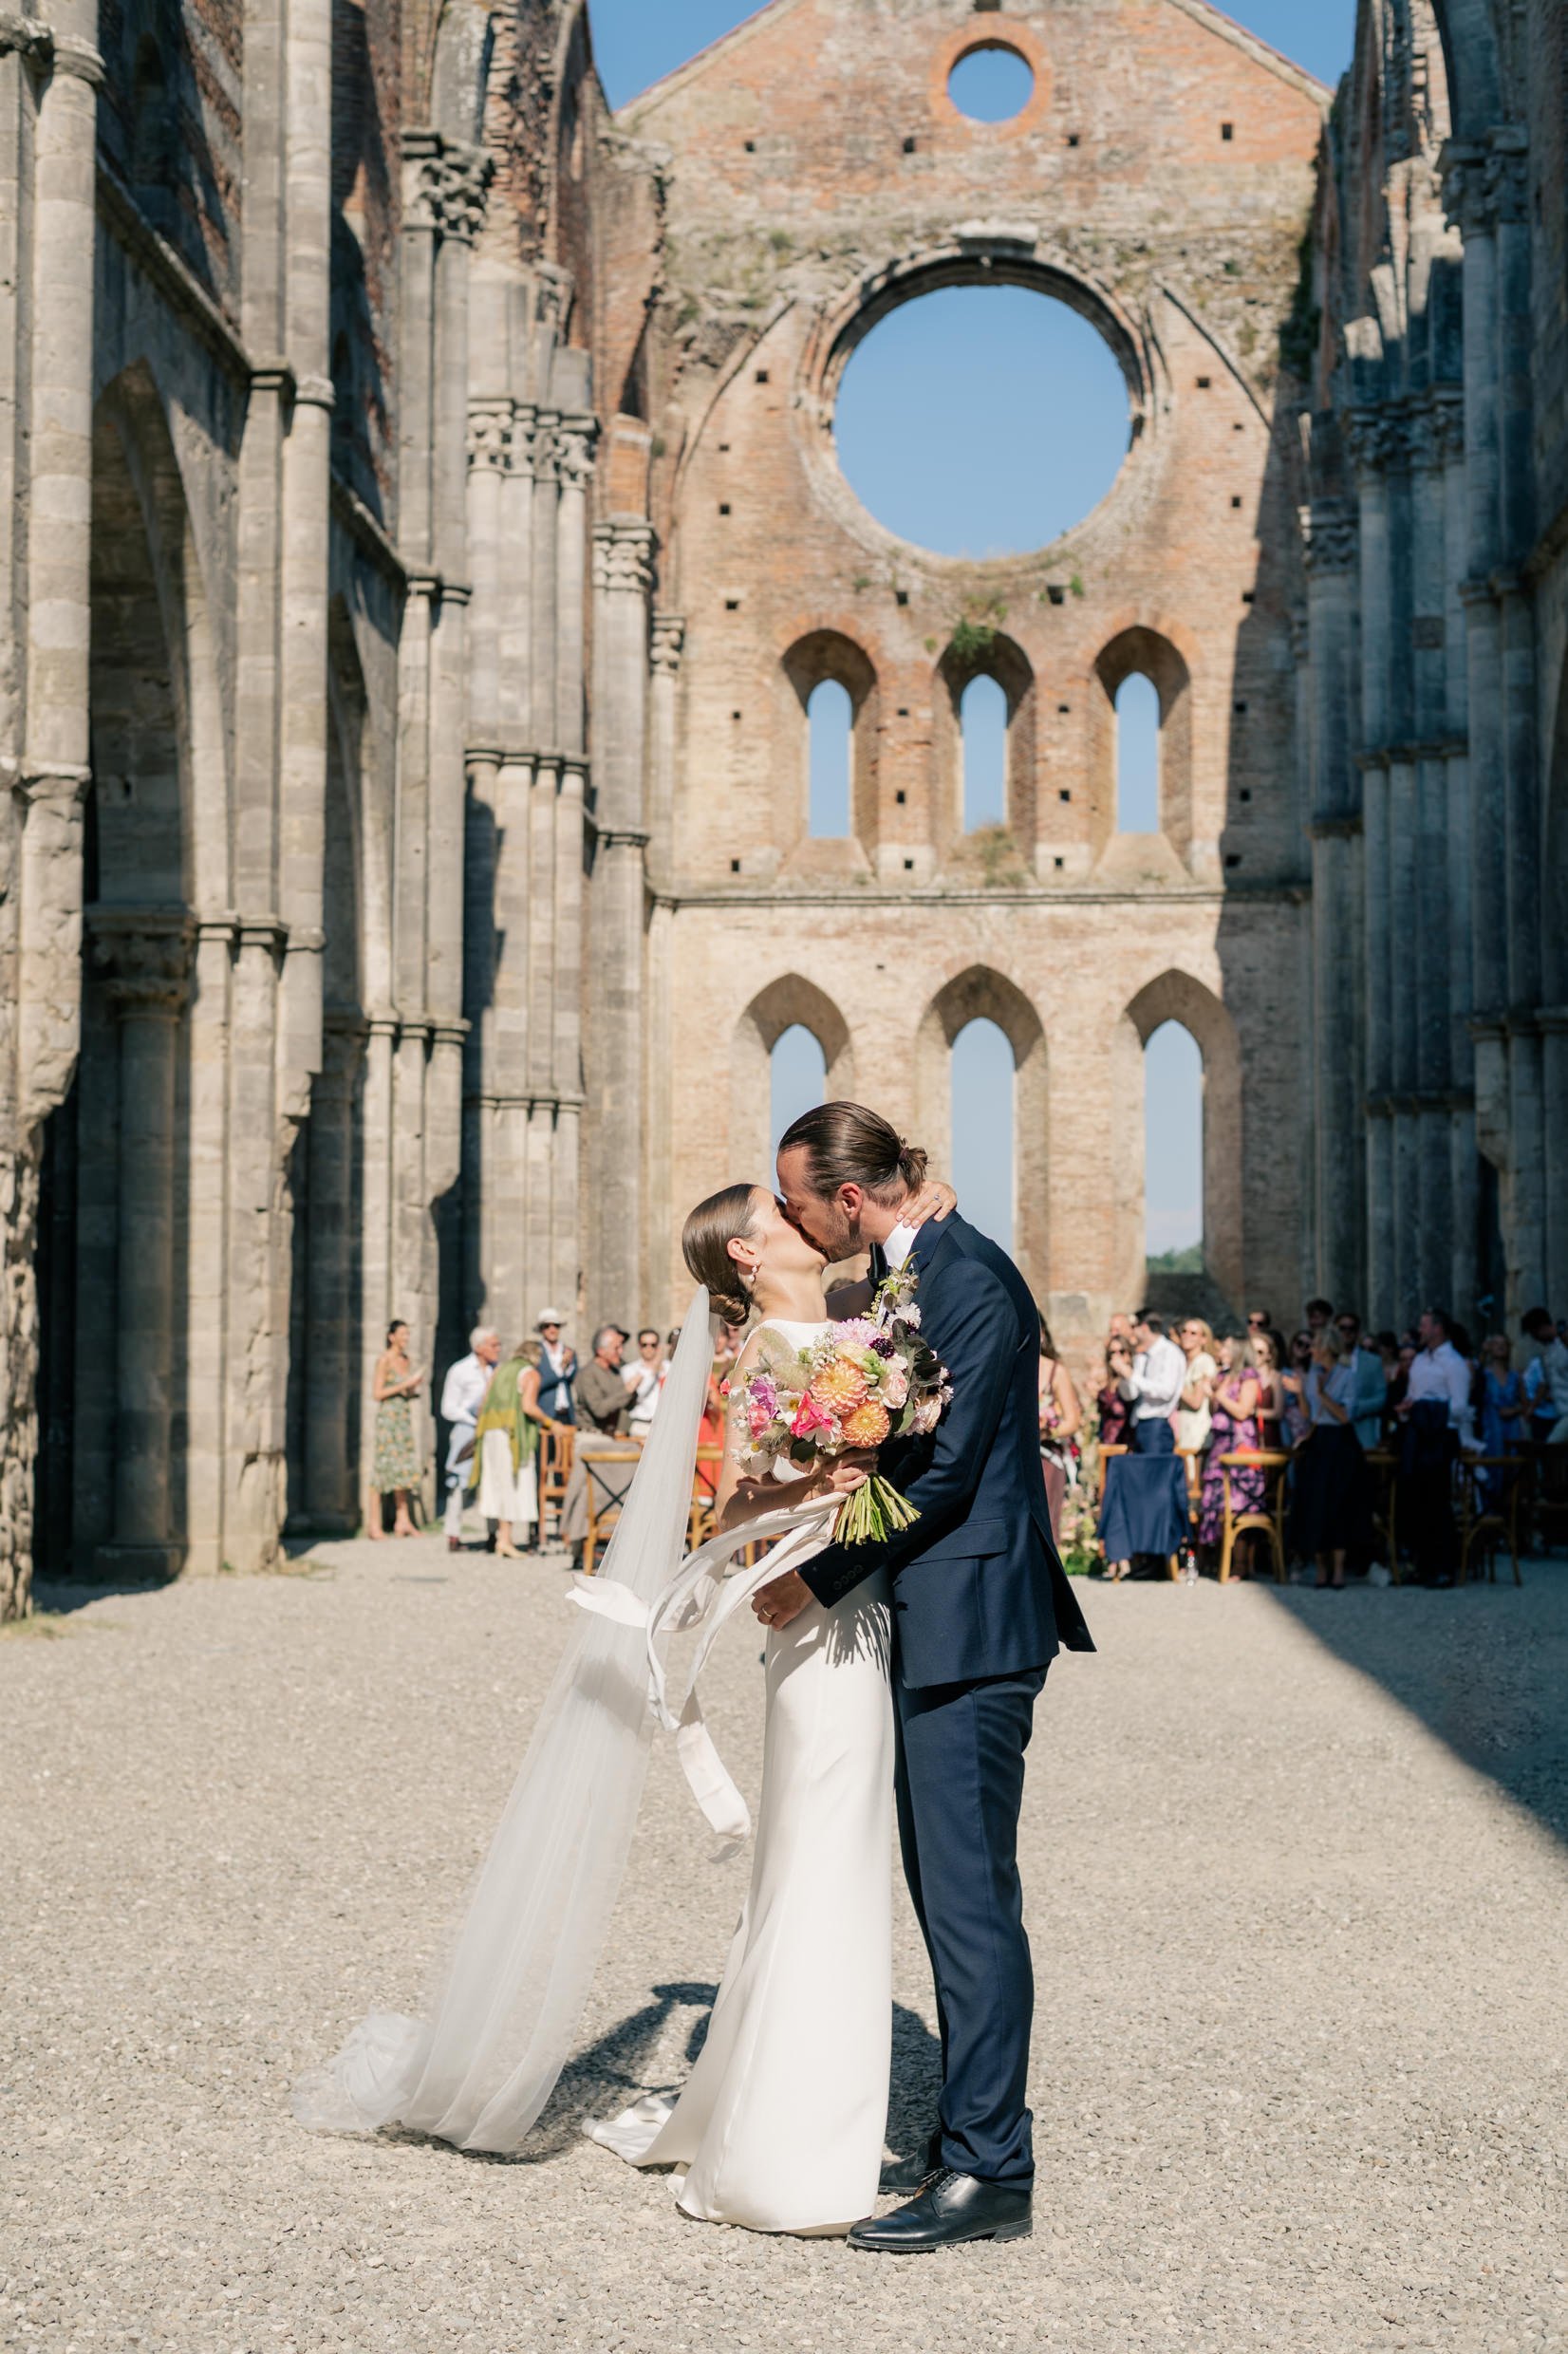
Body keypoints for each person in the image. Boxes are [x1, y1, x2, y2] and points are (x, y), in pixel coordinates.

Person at [759, 1100, 1094, 2252]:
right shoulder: (919, 1267)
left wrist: (820, 1571)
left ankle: (989, 2165)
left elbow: (946, 1473)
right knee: (946, 1890)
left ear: (848, 1197)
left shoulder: (963, 1275)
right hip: (936, 1618)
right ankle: (976, 2139)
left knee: (965, 1901)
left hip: (974, 1626)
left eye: (797, 1197)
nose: (791, 1219)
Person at [1394, 1308, 1470, 1586]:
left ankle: (1443, 1566)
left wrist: (1428, 1412)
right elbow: (1412, 1395)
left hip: (1440, 1437)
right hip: (1417, 1436)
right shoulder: (1419, 1362)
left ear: (1438, 1329)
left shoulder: (1454, 1363)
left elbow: (1460, 1407)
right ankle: (1421, 1563)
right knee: (1415, 1500)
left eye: (1424, 1326)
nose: (1420, 1330)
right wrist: (1407, 1409)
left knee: (1437, 1500)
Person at [1288, 1327, 1368, 1588]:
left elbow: (1345, 1415)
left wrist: (1323, 1394)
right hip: (1318, 1441)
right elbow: (1308, 1413)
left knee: (1339, 1504)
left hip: (1341, 1443)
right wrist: (1301, 1392)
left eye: (1316, 1345)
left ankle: (1339, 1570)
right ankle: (1321, 1568)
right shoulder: (1312, 1376)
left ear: (1327, 1348)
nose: (1311, 1350)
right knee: (1316, 1505)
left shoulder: (1348, 1376)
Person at [471, 1341, 551, 1558]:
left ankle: (500, 1537)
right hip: (512, 1435)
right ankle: (505, 1540)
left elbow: (484, 1403)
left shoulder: (500, 1369)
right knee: (511, 1483)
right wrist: (551, 1423)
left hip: (491, 1432)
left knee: (497, 1483)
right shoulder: (530, 1374)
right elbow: (528, 1406)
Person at [1196, 1336, 1264, 1573]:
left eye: (1225, 1346)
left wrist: (1219, 1395)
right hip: (1220, 1444)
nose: (1220, 1350)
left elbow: (1243, 1411)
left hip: (1239, 1446)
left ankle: (1241, 1563)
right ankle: (1217, 1561)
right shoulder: (1222, 1376)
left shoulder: (1248, 1376)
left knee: (1239, 1504)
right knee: (1216, 1504)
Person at [439, 1327, 500, 1552]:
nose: (498, 1349)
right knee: (459, 1483)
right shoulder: (460, 1370)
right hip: (467, 1431)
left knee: (492, 1481)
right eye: (493, 1345)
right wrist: (474, 1420)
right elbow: (448, 1408)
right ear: (479, 1347)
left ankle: (493, 1534)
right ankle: (453, 1535)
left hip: (492, 1431)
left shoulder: (497, 1371)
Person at [367, 1319, 422, 1540]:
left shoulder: (405, 1360)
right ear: (391, 1337)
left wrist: (412, 1389)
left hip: (402, 1417)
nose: (406, 1338)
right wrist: (404, 1386)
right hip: (388, 1419)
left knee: (403, 1468)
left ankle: (403, 1520)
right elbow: (377, 1393)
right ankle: (374, 1524)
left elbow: (404, 1392)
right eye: (402, 1334)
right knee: (382, 1469)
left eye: (408, 1334)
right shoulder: (384, 1360)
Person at [1036, 1315, 1082, 1539]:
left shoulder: (1056, 1371)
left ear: (1043, 1333)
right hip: (1017, 1453)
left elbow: (1073, 1420)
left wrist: (1046, 1430)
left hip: (1047, 1455)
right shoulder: (1012, 1368)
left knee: (1046, 1521)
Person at [1116, 1311, 1185, 1454]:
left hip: (1157, 1425)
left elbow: (1166, 1392)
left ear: (1144, 1327)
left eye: (1133, 1326)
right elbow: (1131, 1394)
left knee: (1155, 1474)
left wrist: (1132, 1376)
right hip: (1139, 1424)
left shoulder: (1169, 1352)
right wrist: (1123, 1375)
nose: (1131, 1331)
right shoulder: (1143, 1356)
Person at [1335, 1310, 1388, 1449]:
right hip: (1333, 1429)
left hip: (1363, 1430)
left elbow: (1381, 1397)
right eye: (1342, 1328)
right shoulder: (1328, 1361)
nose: (1347, 1332)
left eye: (1351, 1328)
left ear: (1358, 1332)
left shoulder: (1373, 1362)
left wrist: (1356, 1408)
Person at [1521, 1307, 1568, 1443]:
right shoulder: (1546, 1354)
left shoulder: (1564, 1340)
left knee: (1553, 1444)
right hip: (1561, 1411)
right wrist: (1532, 1408)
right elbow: (1545, 1383)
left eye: (1534, 1333)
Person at [577, 1325, 633, 1435]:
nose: (621, 1351)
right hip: (591, 1434)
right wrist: (627, 1391)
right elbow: (599, 1410)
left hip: (615, 1434)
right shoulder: (587, 1374)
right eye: (616, 1348)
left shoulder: (617, 1371)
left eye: (621, 1347)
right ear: (601, 1351)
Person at [1174, 1317, 1218, 1455]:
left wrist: (1172, 1383)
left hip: (1197, 1430)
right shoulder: (1183, 1361)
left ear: (1204, 1339)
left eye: (1193, 1333)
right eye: (1184, 1331)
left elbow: (1196, 1402)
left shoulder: (1203, 1361)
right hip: (1183, 1427)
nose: (1187, 1335)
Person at [534, 1312, 577, 1425]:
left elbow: (572, 1378)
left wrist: (568, 1366)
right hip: (545, 1413)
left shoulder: (568, 1350)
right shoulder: (536, 1352)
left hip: (566, 1412)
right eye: (547, 1326)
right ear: (541, 1329)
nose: (552, 1330)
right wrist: (561, 1367)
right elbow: (540, 1383)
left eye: (556, 1326)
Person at [624, 1327, 666, 1440]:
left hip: (664, 1426)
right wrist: (654, 1368)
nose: (649, 1348)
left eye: (653, 1345)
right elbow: (640, 1393)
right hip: (641, 1425)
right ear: (639, 1346)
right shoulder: (630, 1369)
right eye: (644, 1345)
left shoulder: (668, 1367)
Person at [1279, 1328, 1314, 1449]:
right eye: (1299, 1343)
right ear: (1293, 1343)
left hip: (1303, 1423)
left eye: (1307, 1345)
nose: (1302, 1348)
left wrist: (1299, 1392)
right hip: (1283, 1424)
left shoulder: (1311, 1374)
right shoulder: (1281, 1370)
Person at [1252, 1329, 1283, 1450]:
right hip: (1247, 1434)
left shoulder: (1275, 1377)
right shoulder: (1242, 1376)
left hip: (1268, 1433)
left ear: (1269, 1355)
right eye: (1252, 1351)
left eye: (1260, 1352)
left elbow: (1278, 1412)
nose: (1255, 1356)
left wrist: (1252, 1412)